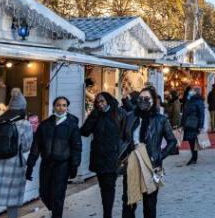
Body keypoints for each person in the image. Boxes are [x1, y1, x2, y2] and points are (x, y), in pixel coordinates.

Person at [120, 87, 177, 218]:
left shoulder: (161, 119)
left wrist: (159, 156)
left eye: (146, 99)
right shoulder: (130, 116)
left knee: (150, 204)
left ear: (153, 100)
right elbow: (122, 138)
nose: (142, 101)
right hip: (132, 163)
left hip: (153, 165)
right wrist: (124, 155)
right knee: (129, 202)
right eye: (140, 98)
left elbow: (172, 141)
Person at [26, 96, 82, 218]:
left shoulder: (72, 126)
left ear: (67, 108)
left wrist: (74, 166)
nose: (61, 108)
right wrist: (30, 164)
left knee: (58, 195)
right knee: (44, 193)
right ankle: (55, 208)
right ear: (53, 106)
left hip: (63, 165)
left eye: (64, 105)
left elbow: (76, 148)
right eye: (58, 105)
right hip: (46, 164)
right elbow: (36, 146)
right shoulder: (45, 125)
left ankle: (56, 214)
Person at [80, 92, 126, 218]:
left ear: (108, 101)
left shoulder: (119, 113)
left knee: (109, 186)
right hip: (99, 157)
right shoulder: (96, 115)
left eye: (102, 101)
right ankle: (107, 213)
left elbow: (126, 134)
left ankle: (107, 214)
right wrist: (93, 117)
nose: (100, 104)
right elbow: (84, 132)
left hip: (113, 156)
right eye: (98, 102)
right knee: (103, 187)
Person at [0, 89, 33, 218]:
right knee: (13, 200)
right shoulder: (24, 124)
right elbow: (26, 147)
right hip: (14, 166)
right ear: (23, 108)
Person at [180, 86, 205, 165]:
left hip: (194, 123)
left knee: (193, 140)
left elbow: (201, 114)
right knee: (191, 140)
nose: (190, 92)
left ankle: (194, 157)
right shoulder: (189, 99)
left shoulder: (198, 100)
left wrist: (201, 126)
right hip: (188, 123)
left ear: (195, 92)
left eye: (192, 90)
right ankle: (194, 157)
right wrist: (182, 123)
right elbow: (185, 112)